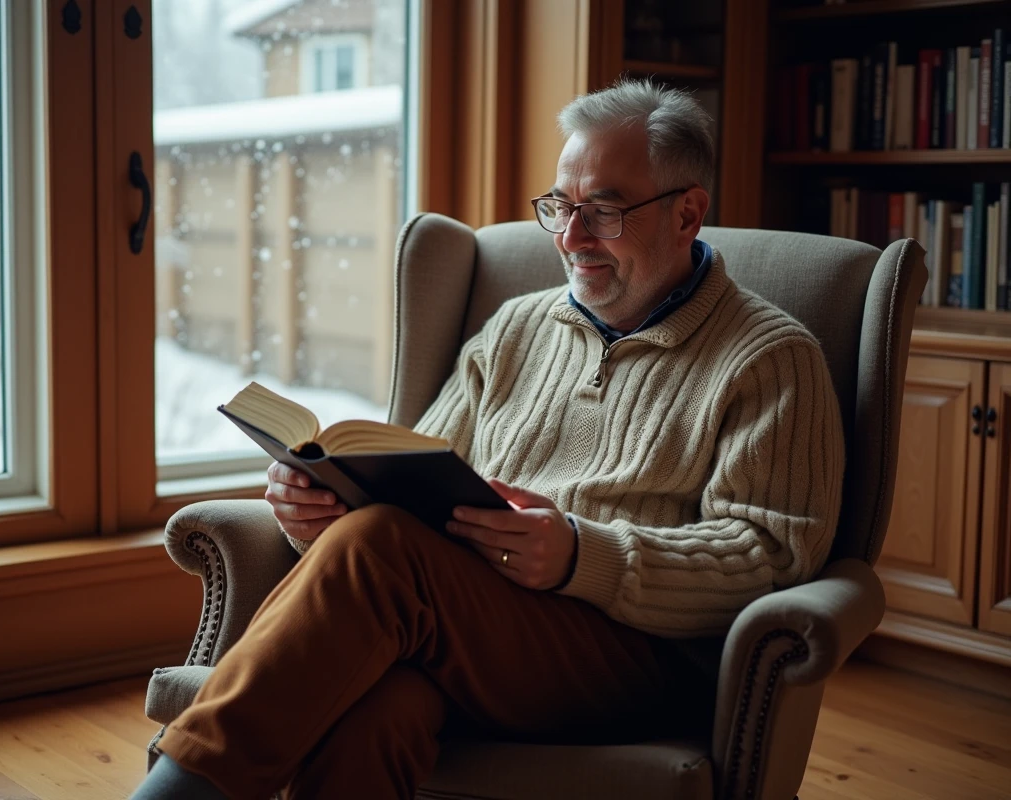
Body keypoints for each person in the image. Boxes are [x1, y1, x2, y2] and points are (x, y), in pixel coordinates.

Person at [131, 77, 845, 800]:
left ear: (687, 212)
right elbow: (411, 475)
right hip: (478, 629)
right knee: (375, 713)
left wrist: (584, 555)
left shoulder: (769, 358)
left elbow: (773, 557)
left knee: (382, 550)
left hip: (641, 658)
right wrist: (319, 511)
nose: (570, 238)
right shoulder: (515, 328)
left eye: (603, 212)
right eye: (561, 207)